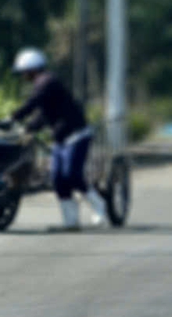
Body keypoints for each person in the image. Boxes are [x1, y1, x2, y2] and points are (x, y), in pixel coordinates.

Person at [10, 48, 106, 230]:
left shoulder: (47, 82)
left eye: (24, 72)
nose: (23, 76)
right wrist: (29, 127)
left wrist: (15, 116)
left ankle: (99, 205)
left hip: (77, 135)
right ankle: (71, 221)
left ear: (32, 70)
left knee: (72, 175)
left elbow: (34, 102)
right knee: (58, 179)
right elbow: (44, 114)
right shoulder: (43, 84)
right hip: (60, 138)